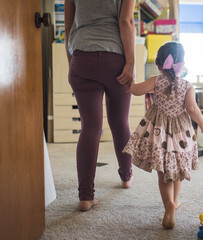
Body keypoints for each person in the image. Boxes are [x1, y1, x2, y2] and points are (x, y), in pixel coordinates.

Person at [122, 42, 203, 229]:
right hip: (180, 135)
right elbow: (191, 108)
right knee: (177, 169)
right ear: (182, 64)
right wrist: (202, 121)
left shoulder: (155, 80)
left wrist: (129, 80)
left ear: (160, 64)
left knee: (164, 174)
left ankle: (168, 204)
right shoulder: (187, 85)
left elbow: (136, 90)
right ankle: (175, 201)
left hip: (159, 132)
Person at [64, 0, 135, 211]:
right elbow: (126, 20)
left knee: (90, 127)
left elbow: (68, 27)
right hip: (115, 57)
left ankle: (85, 197)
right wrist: (130, 62)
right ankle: (126, 177)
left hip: (81, 56)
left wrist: (72, 64)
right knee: (120, 121)